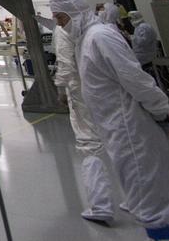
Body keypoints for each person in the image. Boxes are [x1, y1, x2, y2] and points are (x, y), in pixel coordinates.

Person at [50, 0, 169, 240]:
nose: (60, 25)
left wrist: (161, 111)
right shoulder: (85, 38)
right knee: (142, 178)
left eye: (61, 18)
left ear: (75, 12)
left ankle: (162, 230)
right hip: (113, 120)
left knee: (142, 179)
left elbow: (135, 78)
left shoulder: (100, 37)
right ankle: (165, 221)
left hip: (127, 121)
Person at [53, 20, 115, 225]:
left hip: (80, 91)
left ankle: (100, 206)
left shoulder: (63, 31)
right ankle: (136, 199)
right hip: (106, 90)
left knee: (89, 144)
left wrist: (61, 89)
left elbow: (65, 65)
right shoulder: (99, 28)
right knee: (119, 141)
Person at [130, 10, 160, 75]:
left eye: (131, 18)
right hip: (144, 57)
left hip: (147, 58)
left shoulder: (143, 27)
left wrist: (131, 37)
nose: (130, 20)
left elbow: (143, 42)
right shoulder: (138, 27)